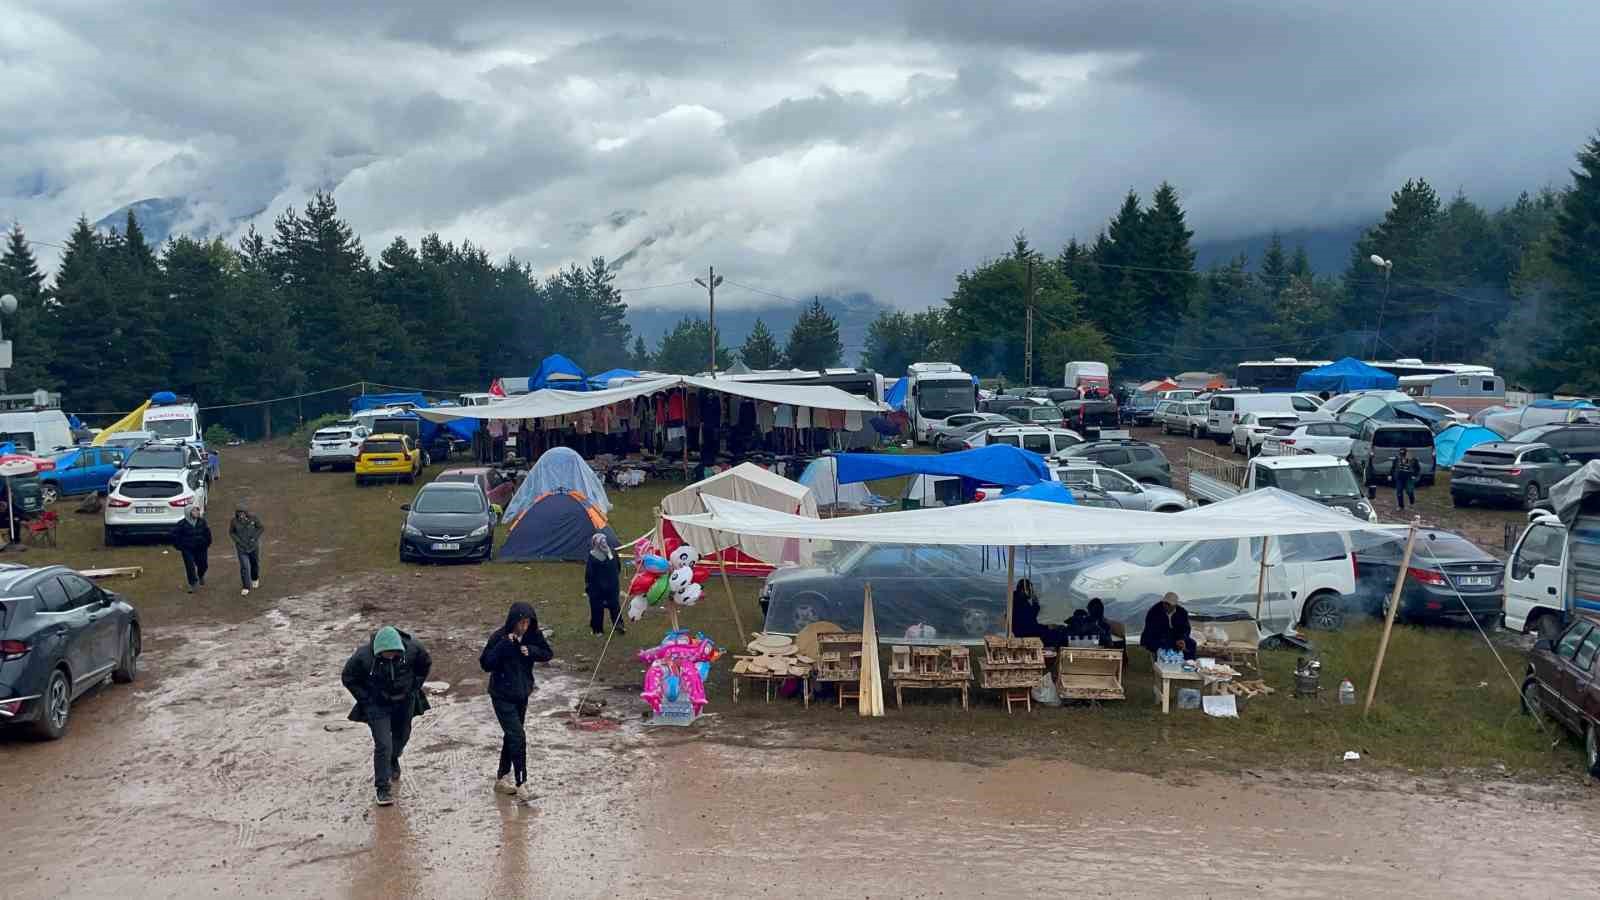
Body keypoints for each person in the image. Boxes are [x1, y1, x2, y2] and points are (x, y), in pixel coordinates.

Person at [342, 625, 431, 806]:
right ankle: (382, 788)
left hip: (404, 701)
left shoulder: (414, 648)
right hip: (377, 704)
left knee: (403, 736)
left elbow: (425, 665)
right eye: (386, 653)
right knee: (383, 743)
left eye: (394, 653)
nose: (390, 656)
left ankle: (392, 760)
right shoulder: (362, 656)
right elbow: (348, 678)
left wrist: (414, 687)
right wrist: (366, 699)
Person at [479, 602, 553, 800]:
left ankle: (501, 778)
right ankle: (522, 784)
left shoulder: (533, 636)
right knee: (518, 736)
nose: (524, 626)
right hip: (501, 695)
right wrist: (504, 645)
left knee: (512, 736)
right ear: (513, 621)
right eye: (521, 622)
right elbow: (485, 664)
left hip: (522, 694)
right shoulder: (498, 637)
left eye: (528, 622)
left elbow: (548, 653)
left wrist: (532, 651)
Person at [584, 533, 624, 636]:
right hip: (605, 586)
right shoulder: (603, 554)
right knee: (606, 607)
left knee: (606, 607)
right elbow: (617, 567)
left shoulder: (602, 554)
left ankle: (608, 627)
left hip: (604, 586)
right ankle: (607, 627)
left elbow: (590, 573)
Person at [1011, 579, 1069, 647]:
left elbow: (1030, 618)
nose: (1032, 592)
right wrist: (1047, 627)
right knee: (1060, 632)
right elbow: (1029, 622)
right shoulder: (1019, 603)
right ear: (1023, 590)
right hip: (1026, 633)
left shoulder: (1018, 600)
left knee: (1059, 629)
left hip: (1028, 631)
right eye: (1030, 590)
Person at [1140, 592, 1196, 660]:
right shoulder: (1154, 611)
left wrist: (1182, 639)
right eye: (1165, 603)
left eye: (1169, 605)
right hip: (1157, 637)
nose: (1167, 606)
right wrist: (1172, 640)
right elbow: (1151, 630)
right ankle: (1164, 663)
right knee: (1166, 646)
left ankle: (1188, 663)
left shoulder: (1181, 612)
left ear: (1175, 605)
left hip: (1176, 636)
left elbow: (1186, 628)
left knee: (1191, 643)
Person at [172, 505, 212, 593]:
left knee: (203, 565)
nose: (197, 513)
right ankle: (192, 584)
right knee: (190, 566)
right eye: (194, 511)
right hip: (187, 549)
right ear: (189, 513)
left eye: (197, 511)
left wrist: (207, 543)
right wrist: (180, 546)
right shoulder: (181, 524)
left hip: (201, 547)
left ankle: (200, 575)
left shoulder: (202, 522)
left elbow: (207, 533)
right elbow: (174, 536)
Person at [229, 503, 265, 596]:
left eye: (243, 512)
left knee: (254, 563)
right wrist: (238, 541)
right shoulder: (234, 521)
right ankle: (246, 586)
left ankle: (255, 578)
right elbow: (232, 532)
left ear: (246, 513)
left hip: (253, 547)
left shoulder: (253, 519)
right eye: (239, 513)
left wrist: (254, 538)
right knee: (244, 567)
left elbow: (260, 528)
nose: (241, 515)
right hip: (241, 548)